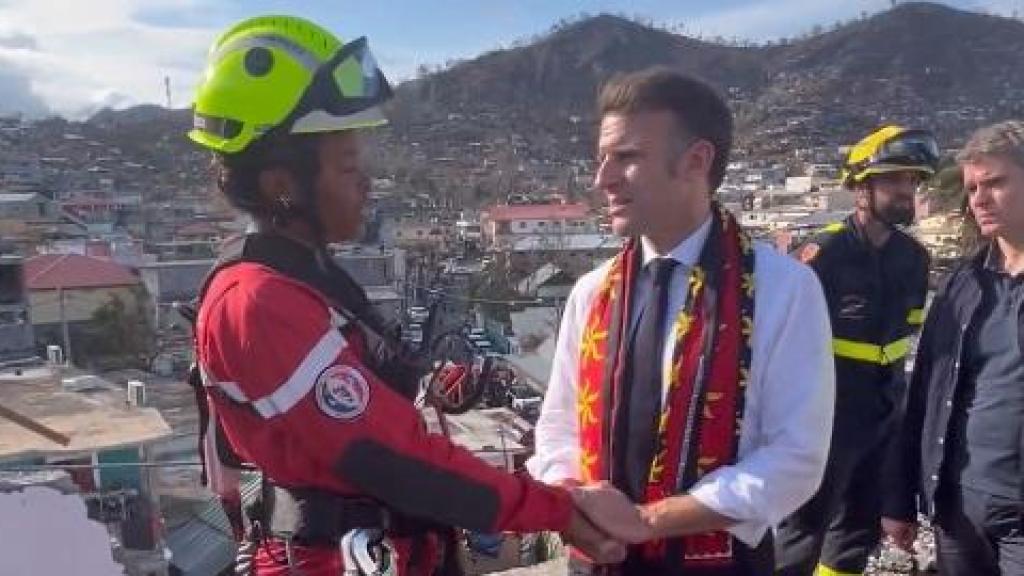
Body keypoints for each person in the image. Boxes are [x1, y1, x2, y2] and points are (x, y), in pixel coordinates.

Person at [187, 15, 623, 576]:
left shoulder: (303, 280)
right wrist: (557, 510)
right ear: (282, 185)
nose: (365, 182)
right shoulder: (257, 304)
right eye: (347, 165)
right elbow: (393, 458)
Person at [527, 67, 835, 575]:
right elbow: (559, 430)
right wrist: (576, 502)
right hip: (598, 559)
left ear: (696, 160)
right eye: (602, 158)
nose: (602, 178)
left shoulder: (783, 289)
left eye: (626, 157)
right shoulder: (593, 292)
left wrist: (650, 521)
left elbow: (795, 459)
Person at [774, 125, 938, 576]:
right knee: (804, 529)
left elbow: (908, 339)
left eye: (913, 181)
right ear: (861, 188)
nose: (908, 191)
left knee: (856, 533)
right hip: (825, 415)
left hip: (883, 414)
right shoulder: (822, 254)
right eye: (896, 180)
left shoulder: (915, 260)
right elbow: (780, 344)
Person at [883, 120, 1024, 576]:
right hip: (956, 510)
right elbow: (924, 391)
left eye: (996, 182)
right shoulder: (963, 285)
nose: (979, 199)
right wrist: (900, 498)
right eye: (972, 187)